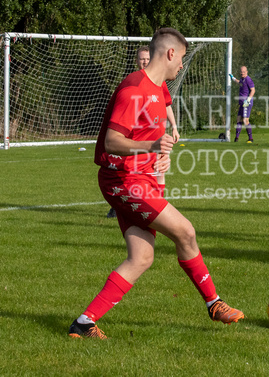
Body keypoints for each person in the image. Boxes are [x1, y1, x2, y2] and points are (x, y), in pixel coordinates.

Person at [69, 28, 244, 339]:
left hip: (139, 176)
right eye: (181, 59)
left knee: (142, 257)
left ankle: (84, 323)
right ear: (171, 53)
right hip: (122, 180)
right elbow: (113, 140)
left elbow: (154, 133)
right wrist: (149, 149)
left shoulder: (159, 88)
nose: (181, 67)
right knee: (186, 231)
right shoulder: (133, 90)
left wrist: (161, 157)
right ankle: (214, 304)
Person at [106, 46, 180, 219]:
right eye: (142, 59)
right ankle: (118, 204)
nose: (144, 61)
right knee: (126, 170)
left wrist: (174, 126)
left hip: (154, 135)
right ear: (137, 61)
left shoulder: (159, 82)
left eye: (147, 58)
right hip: (133, 138)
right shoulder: (133, 83)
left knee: (159, 168)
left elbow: (166, 105)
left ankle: (158, 204)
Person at [230, 66, 255, 143]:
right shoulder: (242, 79)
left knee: (245, 120)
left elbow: (253, 90)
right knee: (238, 119)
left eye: (244, 72)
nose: (242, 73)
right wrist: (233, 78)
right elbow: (239, 82)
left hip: (246, 103)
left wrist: (248, 100)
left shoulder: (248, 79)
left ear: (246, 72)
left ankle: (251, 139)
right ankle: (236, 138)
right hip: (242, 103)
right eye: (241, 72)